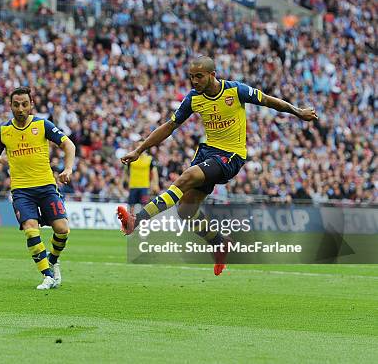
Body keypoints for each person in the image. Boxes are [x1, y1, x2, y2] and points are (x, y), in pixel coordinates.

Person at [117, 56, 318, 275]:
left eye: (199, 76)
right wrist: (139, 150)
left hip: (231, 155)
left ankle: (137, 220)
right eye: (191, 77)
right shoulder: (193, 99)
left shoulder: (235, 90)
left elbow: (269, 101)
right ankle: (220, 243)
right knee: (185, 211)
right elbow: (170, 126)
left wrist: (298, 111)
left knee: (186, 177)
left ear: (213, 75)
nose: (194, 81)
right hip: (208, 152)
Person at [0, 87, 76, 290]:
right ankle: (47, 276)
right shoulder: (3, 131)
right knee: (30, 229)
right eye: (16, 104)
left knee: (62, 230)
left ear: (31, 104)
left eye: (25, 104)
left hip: (47, 187)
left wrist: (68, 168)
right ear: (11, 106)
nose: (21, 108)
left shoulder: (43, 125)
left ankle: (53, 259)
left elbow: (69, 145)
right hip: (22, 191)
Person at [127, 141, 159, 215]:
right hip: (133, 186)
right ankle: (130, 223)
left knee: (144, 206)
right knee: (131, 206)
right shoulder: (131, 158)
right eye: (138, 145)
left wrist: (155, 184)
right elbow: (126, 172)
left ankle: (142, 222)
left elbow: (154, 172)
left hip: (144, 186)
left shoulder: (149, 159)